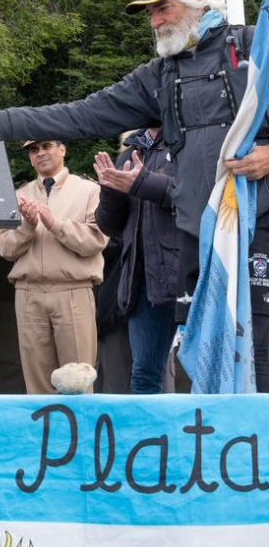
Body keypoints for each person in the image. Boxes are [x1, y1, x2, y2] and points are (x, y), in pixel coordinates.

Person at [0, 0, 269, 389]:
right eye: (150, 13)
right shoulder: (158, 77)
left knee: (261, 361)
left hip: (257, 231)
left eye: (163, 8)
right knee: (205, 368)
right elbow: (82, 114)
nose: (156, 21)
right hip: (196, 237)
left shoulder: (256, 48)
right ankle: (225, 453)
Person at [0, 139, 107, 394]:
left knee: (78, 381)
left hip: (72, 291)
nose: (40, 153)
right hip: (28, 292)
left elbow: (95, 240)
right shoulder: (18, 195)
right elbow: (5, 249)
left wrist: (55, 224)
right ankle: (44, 432)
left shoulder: (89, 190)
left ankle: (81, 433)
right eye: (34, 150)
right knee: (37, 383)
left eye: (47, 147)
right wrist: (28, 227)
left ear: (63, 149)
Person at [93, 125, 178, 393]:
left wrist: (142, 182)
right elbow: (110, 226)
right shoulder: (129, 153)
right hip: (141, 281)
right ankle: (152, 437)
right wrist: (110, 189)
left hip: (188, 274)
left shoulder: (188, 142)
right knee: (143, 375)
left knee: (203, 371)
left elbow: (195, 196)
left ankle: (197, 436)